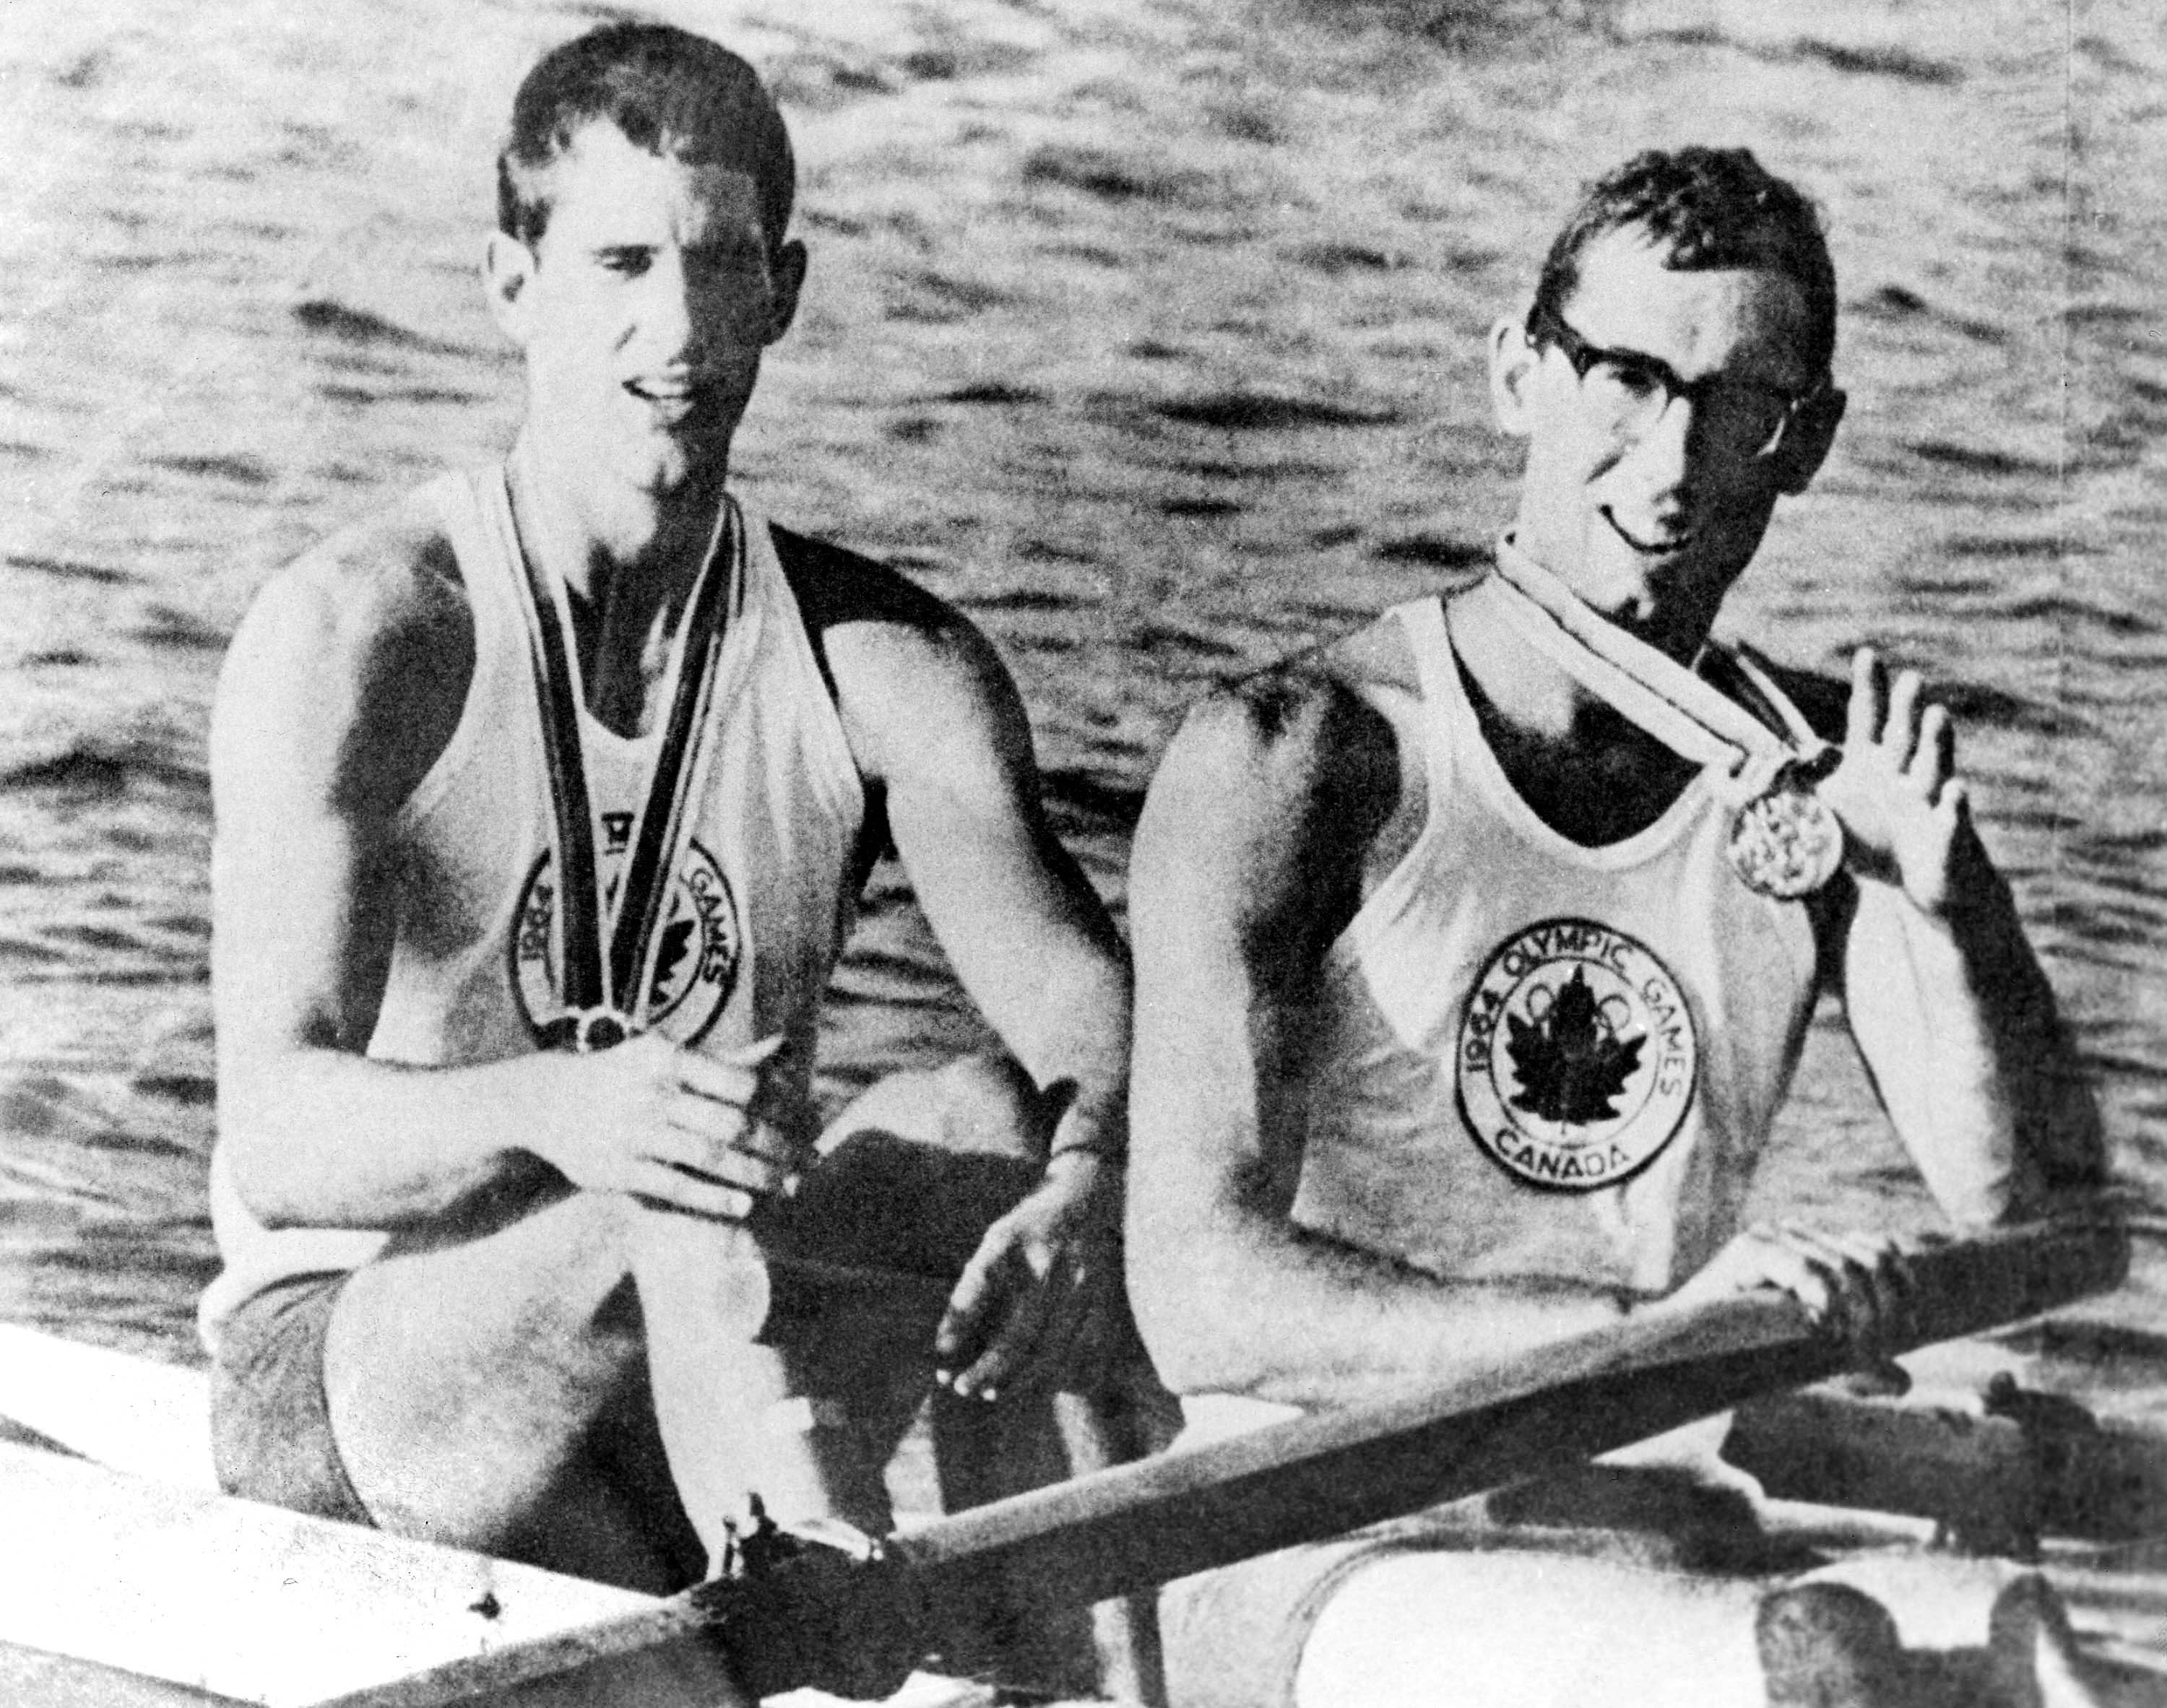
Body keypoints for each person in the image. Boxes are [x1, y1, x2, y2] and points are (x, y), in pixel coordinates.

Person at [202, 23, 1155, 1655]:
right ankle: (819, 1579)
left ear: (785, 290)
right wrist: (574, 1110)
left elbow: (1097, 1023)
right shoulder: (372, 634)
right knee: (666, 1179)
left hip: (681, 1358)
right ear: (514, 282)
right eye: (624, 262)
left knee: (1004, 1126)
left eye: (723, 267)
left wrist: (1086, 1172)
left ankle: (1068, 1669)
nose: (681, 328)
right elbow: (282, 1126)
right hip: (356, 1391)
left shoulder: (885, 667)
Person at [1124, 147, 2108, 1707]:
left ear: (1811, 445)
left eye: (1744, 412)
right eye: (1629, 383)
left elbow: (2040, 1218)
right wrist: (1644, 1333)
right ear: (1519, 371)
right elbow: (1193, 1292)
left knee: (2031, 1660)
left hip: (1642, 1497)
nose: (1674, 465)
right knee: (1826, 1668)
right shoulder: (1300, 754)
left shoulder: (1821, 775)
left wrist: (1954, 911)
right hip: (1309, 1530)